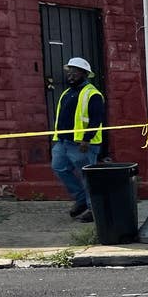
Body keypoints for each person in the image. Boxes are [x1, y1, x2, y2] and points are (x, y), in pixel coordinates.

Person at [51, 57, 105, 223]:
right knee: (59, 167)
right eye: (69, 72)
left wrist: (86, 139)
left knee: (87, 177)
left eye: (75, 72)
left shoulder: (92, 94)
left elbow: (96, 119)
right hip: (63, 142)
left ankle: (93, 209)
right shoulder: (67, 93)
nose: (71, 75)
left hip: (83, 144)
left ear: (84, 74)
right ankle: (81, 199)